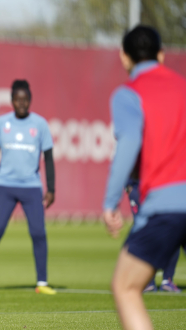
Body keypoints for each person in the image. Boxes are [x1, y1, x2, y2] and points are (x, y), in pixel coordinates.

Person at [103, 25, 186, 330]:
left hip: (166, 205)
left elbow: (128, 148)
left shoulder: (128, 94)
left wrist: (111, 203)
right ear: (162, 54)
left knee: (125, 287)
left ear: (124, 57)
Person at [0, 80, 56, 295]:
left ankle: (42, 283)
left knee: (38, 232)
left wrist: (51, 188)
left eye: (25, 99)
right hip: (4, 186)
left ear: (30, 100)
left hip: (31, 187)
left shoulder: (40, 124)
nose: (21, 103)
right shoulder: (2, 123)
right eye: (17, 100)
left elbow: (49, 159)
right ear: (12, 101)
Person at [126, 178, 181, 293]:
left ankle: (166, 280)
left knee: (172, 232)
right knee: (144, 232)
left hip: (161, 188)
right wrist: (129, 186)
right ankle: (150, 281)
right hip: (141, 189)